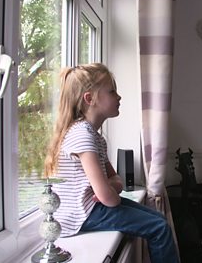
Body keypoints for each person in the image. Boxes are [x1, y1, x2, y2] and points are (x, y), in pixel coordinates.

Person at [43, 63, 179, 263]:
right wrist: (110, 188)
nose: (119, 96)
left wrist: (112, 186)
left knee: (158, 219)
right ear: (90, 99)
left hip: (92, 209)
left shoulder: (96, 137)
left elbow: (115, 181)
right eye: (112, 91)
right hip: (82, 215)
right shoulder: (82, 135)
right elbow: (109, 197)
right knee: (159, 228)